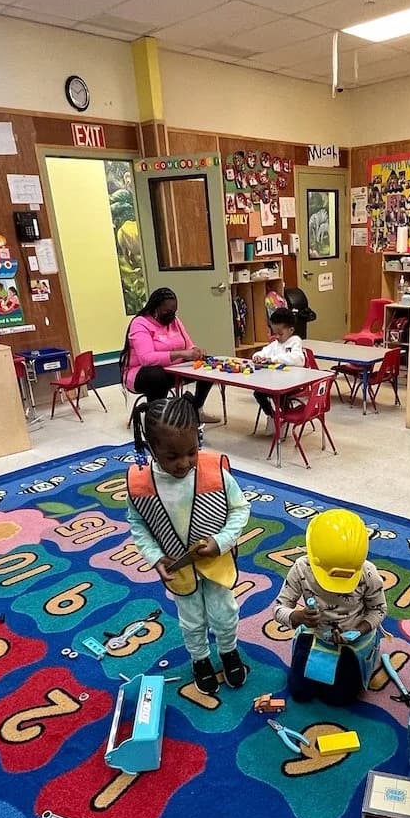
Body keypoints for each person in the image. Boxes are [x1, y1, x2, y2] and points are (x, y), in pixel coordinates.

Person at [124, 395, 249, 692]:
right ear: (151, 449)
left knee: (225, 613)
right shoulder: (140, 483)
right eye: (171, 456)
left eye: (192, 451)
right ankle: (200, 658)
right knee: (191, 620)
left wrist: (221, 542)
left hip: (215, 562)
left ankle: (228, 650)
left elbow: (240, 509)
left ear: (199, 439)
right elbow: (138, 523)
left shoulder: (215, 471)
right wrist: (154, 557)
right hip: (178, 568)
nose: (184, 463)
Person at [273, 509, 388, 707]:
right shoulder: (301, 568)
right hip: (316, 635)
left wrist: (358, 631)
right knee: (300, 692)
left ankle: (370, 652)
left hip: (353, 641)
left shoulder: (367, 573)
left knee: (339, 699)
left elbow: (378, 610)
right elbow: (278, 608)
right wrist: (299, 616)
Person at [121, 287, 219, 423]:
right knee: (156, 376)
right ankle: (158, 420)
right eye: (167, 311)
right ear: (155, 308)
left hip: (172, 368)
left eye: (174, 311)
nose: (171, 315)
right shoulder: (140, 324)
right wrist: (181, 353)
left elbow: (188, 344)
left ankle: (197, 409)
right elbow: (146, 359)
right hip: (141, 373)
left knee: (208, 364)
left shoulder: (175, 321)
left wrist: (196, 351)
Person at [250, 307, 305, 428]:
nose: (277, 336)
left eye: (280, 333)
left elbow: (298, 359)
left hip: (291, 383)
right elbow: (262, 352)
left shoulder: (295, 341)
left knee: (281, 396)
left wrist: (273, 359)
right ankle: (273, 416)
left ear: (291, 330)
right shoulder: (275, 344)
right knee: (258, 393)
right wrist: (257, 357)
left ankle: (284, 416)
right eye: (275, 333)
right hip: (275, 382)